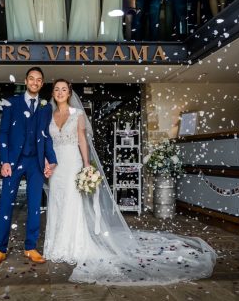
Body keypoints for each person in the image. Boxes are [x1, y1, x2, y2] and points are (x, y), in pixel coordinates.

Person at [43, 79, 217, 284]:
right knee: (56, 202)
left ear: (69, 92)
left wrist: (87, 165)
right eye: (57, 89)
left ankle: (72, 245)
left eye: (64, 89)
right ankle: (54, 245)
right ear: (53, 93)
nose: (60, 92)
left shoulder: (78, 115)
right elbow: (45, 140)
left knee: (73, 203)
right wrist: (47, 161)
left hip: (72, 162)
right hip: (55, 167)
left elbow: (82, 139)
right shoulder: (49, 115)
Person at [0, 67, 57, 269]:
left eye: (39, 80)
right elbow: (4, 133)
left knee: (35, 206)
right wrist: (4, 161)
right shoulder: (12, 103)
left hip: (35, 162)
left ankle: (30, 247)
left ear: (42, 84)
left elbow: (46, 136)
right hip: (14, 162)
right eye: (32, 79)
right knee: (6, 205)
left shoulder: (45, 108)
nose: (35, 82)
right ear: (26, 81)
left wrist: (50, 160)